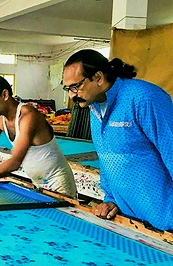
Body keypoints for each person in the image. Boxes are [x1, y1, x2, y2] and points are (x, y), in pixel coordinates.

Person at [63, 49, 173, 231]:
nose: (72, 95)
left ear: (98, 78)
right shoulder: (94, 107)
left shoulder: (143, 98)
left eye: (76, 86)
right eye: (68, 88)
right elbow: (107, 157)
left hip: (166, 220)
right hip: (131, 220)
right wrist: (111, 200)